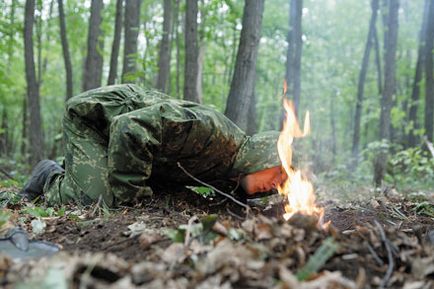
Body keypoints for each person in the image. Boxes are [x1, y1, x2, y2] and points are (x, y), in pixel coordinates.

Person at [21, 84, 285, 207]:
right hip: (95, 118)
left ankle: (82, 170)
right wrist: (132, 199)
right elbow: (129, 127)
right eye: (279, 173)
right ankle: (50, 175)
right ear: (263, 157)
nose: (277, 184)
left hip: (124, 142)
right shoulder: (211, 133)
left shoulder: (232, 171)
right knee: (97, 200)